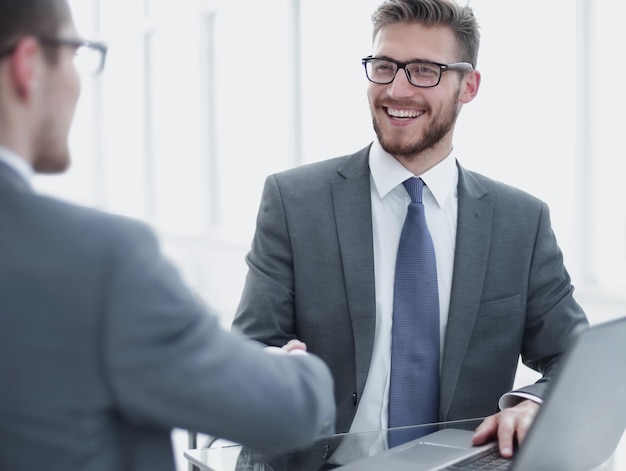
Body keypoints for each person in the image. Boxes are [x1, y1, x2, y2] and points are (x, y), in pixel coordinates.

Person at [232, 0, 588, 469]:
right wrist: (267, 367)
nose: (397, 89)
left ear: (469, 86)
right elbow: (249, 347)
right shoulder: (294, 201)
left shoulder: (521, 220)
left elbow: (576, 358)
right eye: (384, 67)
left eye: (424, 70)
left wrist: (532, 404)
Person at [0, 1, 336, 469]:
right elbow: (286, 412)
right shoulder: (99, 261)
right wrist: (296, 369)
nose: (78, 84)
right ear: (28, 64)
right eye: (76, 53)